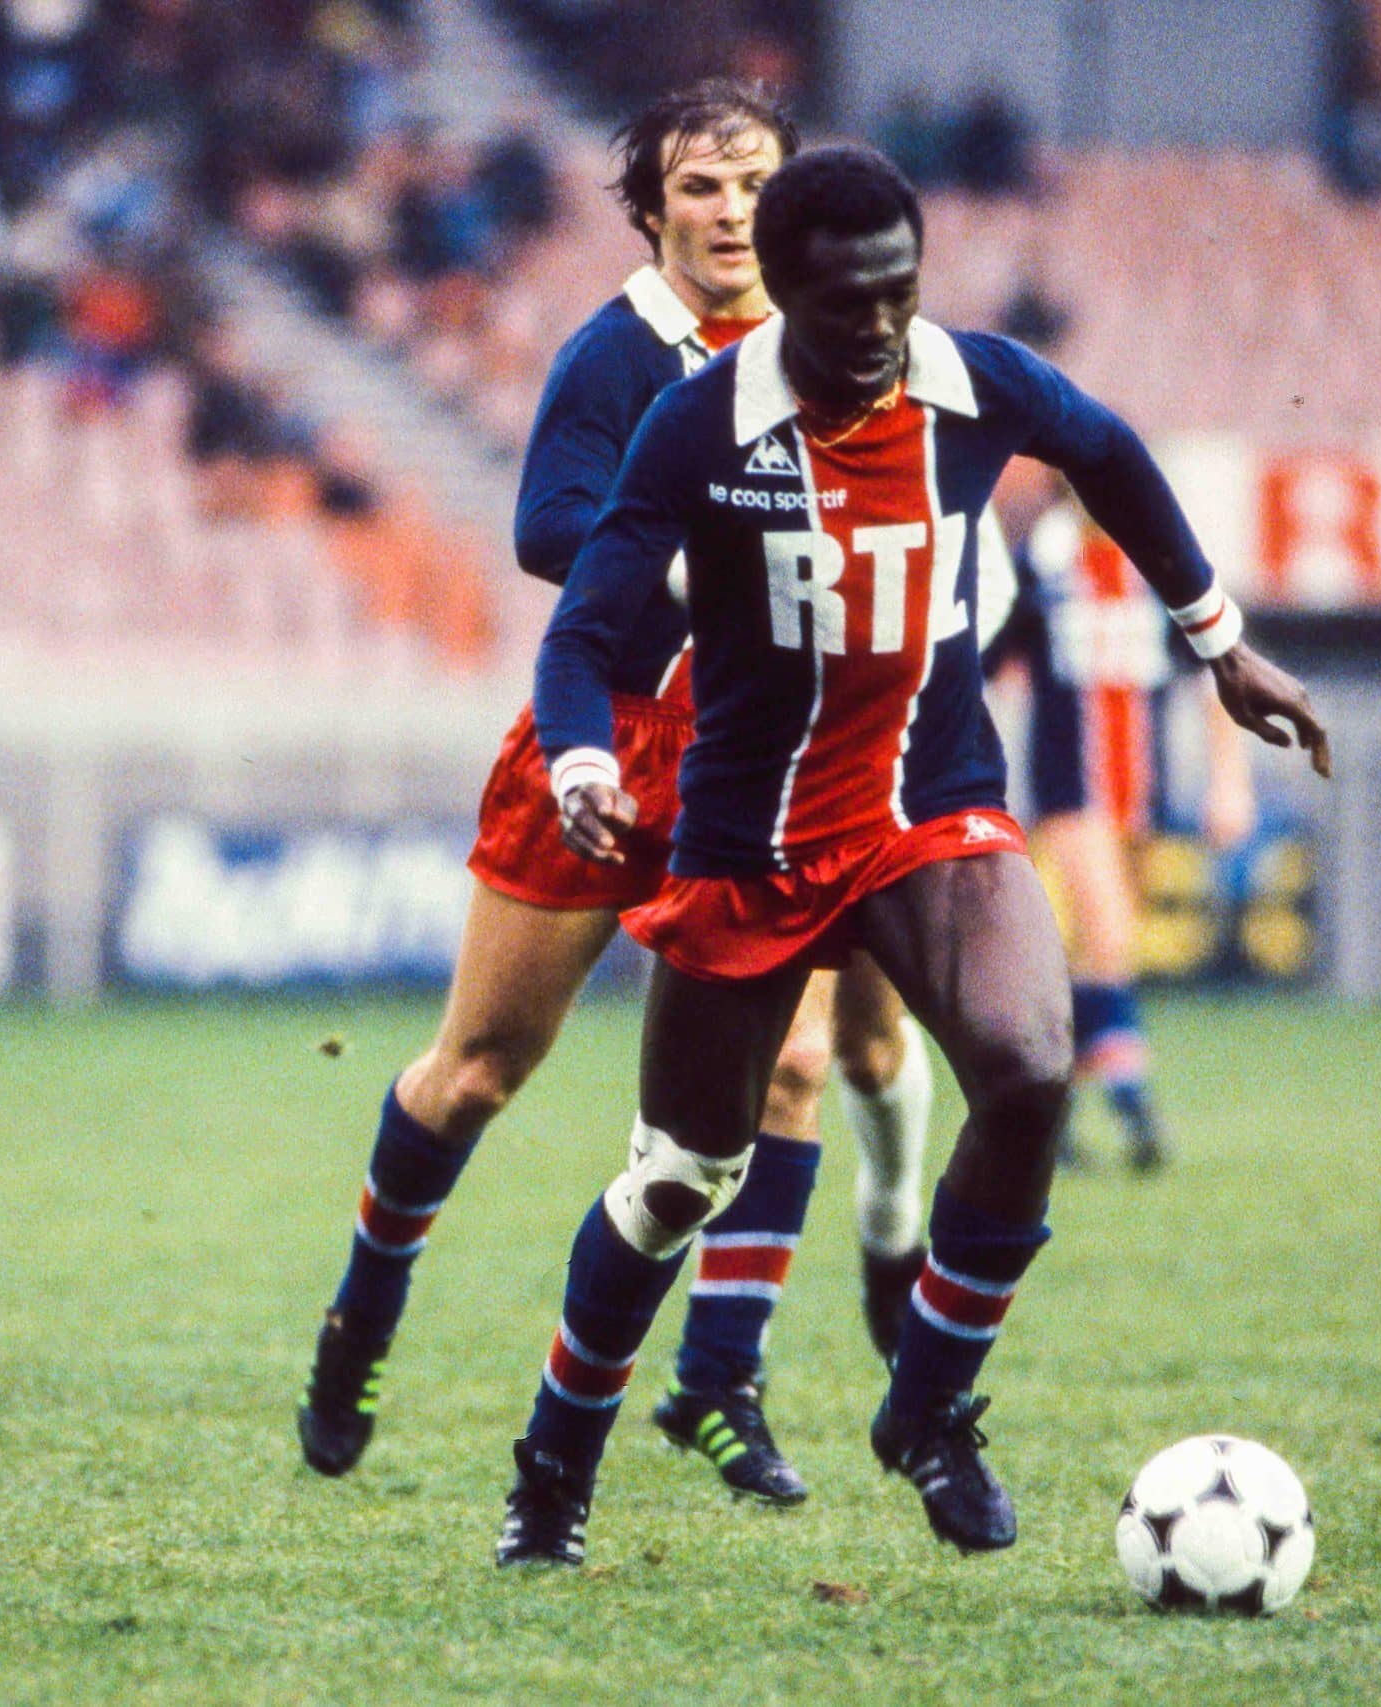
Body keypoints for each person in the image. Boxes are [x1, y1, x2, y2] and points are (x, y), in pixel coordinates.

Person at [495, 145, 1329, 1567]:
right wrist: (579, 754)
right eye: (848, 301)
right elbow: (580, 627)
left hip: (929, 810)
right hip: (748, 835)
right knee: (679, 1178)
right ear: (787, 294)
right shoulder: (700, 427)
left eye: (900, 289)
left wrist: (1219, 641)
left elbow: (1111, 453)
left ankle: (929, 1408)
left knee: (1026, 1069)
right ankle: (552, 1470)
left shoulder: (974, 378)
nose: (881, 325)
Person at [298, 81, 941, 1510]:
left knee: (791, 1062)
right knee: (479, 1068)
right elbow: (542, 526)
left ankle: (719, 1378)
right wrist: (704, 561)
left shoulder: (834, 349)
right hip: (610, 735)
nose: (726, 213)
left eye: (749, 185)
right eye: (698, 189)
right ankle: (362, 1313)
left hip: (767, 754)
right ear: (651, 210)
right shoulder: (619, 354)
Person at [993, 485, 1256, 1171]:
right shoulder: (1041, 564)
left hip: (1140, 792)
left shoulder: (1159, 563)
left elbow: (1218, 666)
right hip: (1068, 791)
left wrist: (1230, 780)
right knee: (1107, 941)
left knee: (1103, 958)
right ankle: (1133, 1103)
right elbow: (988, 670)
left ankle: (1048, 1117)